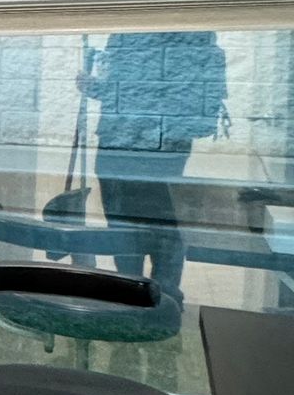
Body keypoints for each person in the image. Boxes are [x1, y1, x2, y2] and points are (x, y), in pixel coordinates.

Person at [83, 32, 228, 297]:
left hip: (124, 142)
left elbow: (131, 90)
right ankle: (163, 295)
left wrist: (93, 86)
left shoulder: (137, 31)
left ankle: (132, 292)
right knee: (162, 220)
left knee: (127, 222)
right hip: (168, 144)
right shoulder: (194, 33)